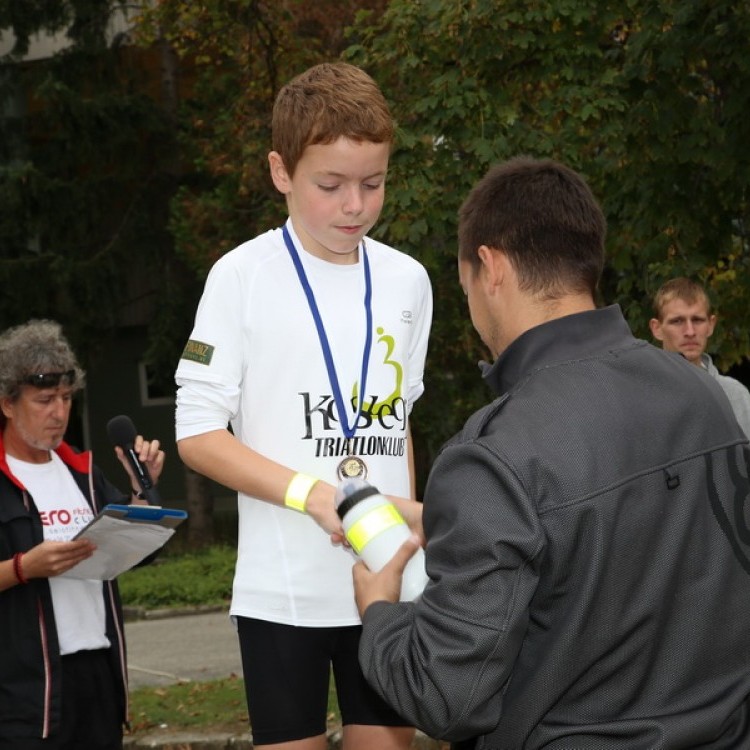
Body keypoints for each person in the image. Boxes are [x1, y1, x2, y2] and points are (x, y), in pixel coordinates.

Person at [353, 157, 750, 748]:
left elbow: (445, 694)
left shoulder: (492, 457)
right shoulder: (707, 396)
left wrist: (380, 613)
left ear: (490, 268)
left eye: (464, 285)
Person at [174, 61, 432, 750]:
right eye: (330, 185)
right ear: (281, 172)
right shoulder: (240, 277)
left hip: (386, 581)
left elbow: (399, 420)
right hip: (283, 592)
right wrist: (312, 495)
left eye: (373, 183)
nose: (355, 206)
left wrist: (410, 522)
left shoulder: (409, 280)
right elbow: (197, 434)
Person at [0, 319, 166, 750]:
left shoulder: (85, 474)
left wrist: (140, 491)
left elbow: (133, 552)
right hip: (23, 693)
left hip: (97, 676)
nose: (59, 413)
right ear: (7, 404)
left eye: (67, 398)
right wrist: (23, 568)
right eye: (44, 400)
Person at [649, 276, 750, 437]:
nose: (690, 332)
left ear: (710, 325)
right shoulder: (641, 396)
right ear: (657, 328)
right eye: (677, 321)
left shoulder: (735, 395)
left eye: (697, 320)